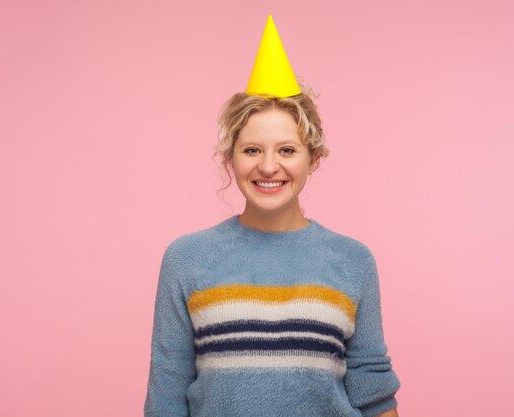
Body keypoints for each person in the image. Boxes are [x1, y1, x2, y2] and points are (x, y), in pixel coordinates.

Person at [143, 15, 401, 417]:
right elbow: (166, 394)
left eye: (286, 150)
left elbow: (373, 387)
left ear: (313, 159)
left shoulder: (353, 261)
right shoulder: (186, 259)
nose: (268, 166)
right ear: (230, 158)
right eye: (251, 150)